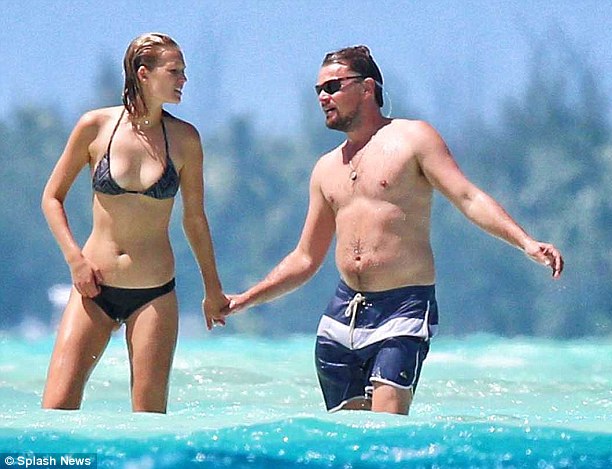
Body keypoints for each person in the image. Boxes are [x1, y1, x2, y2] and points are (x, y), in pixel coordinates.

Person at [223, 45, 564, 415]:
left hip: (403, 308)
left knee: (386, 434)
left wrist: (525, 242)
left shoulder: (413, 139)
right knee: (349, 441)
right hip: (342, 316)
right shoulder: (326, 169)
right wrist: (245, 299)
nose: (323, 97)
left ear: (367, 88)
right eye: (318, 90)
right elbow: (306, 257)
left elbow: (467, 197)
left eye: (333, 87)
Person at [41, 33, 228, 413]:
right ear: (144, 73)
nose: (184, 79)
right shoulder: (95, 126)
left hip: (154, 292)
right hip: (94, 287)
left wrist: (213, 290)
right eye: (174, 71)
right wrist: (75, 260)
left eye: (183, 72)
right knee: (55, 410)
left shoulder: (185, 139)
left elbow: (194, 219)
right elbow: (51, 198)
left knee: (149, 419)